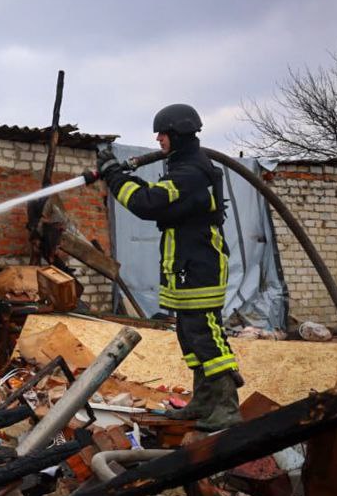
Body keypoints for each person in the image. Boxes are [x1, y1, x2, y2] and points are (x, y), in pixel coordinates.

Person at [97, 104, 241, 432]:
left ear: (177, 134)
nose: (158, 139)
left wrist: (114, 175)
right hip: (185, 264)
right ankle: (204, 402)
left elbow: (147, 203)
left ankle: (226, 407)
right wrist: (119, 174)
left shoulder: (192, 172)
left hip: (201, 264)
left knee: (205, 334)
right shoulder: (184, 166)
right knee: (189, 334)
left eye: (162, 133)